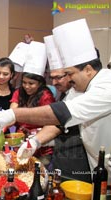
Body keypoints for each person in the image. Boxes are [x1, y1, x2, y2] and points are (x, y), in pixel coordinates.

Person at [0, 18, 111, 183]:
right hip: (97, 165)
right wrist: (36, 142)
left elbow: (61, 113)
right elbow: (58, 122)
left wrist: (13, 114)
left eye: (70, 73)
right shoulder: (78, 89)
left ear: (88, 70)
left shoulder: (106, 86)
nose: (68, 79)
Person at [43, 35, 91, 182]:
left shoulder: (85, 94)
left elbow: (59, 119)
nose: (54, 82)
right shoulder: (65, 93)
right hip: (62, 158)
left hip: (78, 161)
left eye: (60, 77)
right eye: (52, 77)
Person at [10, 41, 55, 169]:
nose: (27, 86)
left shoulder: (46, 96)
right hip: (21, 141)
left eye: (31, 83)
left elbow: (50, 121)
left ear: (40, 83)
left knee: (38, 174)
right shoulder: (19, 92)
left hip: (42, 145)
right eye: (24, 82)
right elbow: (12, 112)